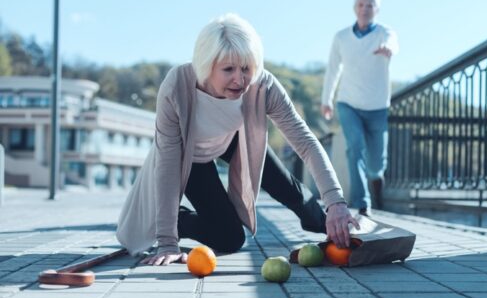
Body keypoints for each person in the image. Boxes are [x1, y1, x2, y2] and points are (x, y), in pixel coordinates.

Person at [116, 13, 359, 266]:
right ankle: (177, 220)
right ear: (206, 65)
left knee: (290, 190)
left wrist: (336, 202)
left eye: (246, 68)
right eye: (228, 69)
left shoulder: (263, 84)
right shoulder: (177, 86)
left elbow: (306, 144)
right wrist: (167, 240)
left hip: (234, 139)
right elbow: (167, 163)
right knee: (229, 238)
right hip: (189, 155)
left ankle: (334, 226)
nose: (240, 79)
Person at [321, 0, 399, 217]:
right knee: (354, 149)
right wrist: (327, 100)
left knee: (376, 165)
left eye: (370, 5)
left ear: (377, 9)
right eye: (361, 5)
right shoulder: (341, 37)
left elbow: (393, 43)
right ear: (355, 8)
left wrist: (389, 49)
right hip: (348, 103)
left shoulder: (385, 33)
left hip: (377, 106)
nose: (365, 9)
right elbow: (333, 69)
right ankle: (363, 204)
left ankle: (377, 183)